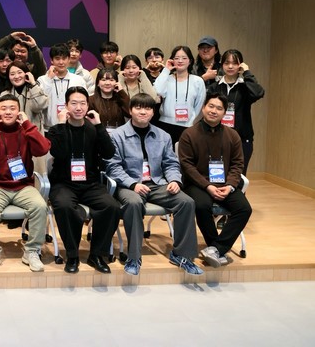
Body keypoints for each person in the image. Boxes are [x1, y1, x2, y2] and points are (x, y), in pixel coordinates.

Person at [105, 94, 203, 276]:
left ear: (153, 112)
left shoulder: (163, 136)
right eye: (138, 107)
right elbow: (113, 167)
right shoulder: (117, 135)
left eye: (148, 108)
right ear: (130, 110)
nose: (143, 112)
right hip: (129, 185)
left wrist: (174, 180)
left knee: (186, 202)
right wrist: (132, 184)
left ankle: (182, 255)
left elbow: (171, 163)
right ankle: (134, 257)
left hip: (157, 183)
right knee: (134, 203)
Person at [0, 94, 50, 273]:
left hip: (23, 185)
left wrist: (28, 125)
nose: (8, 112)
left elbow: (43, 149)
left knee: (40, 206)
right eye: (3, 108)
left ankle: (32, 251)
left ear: (19, 112)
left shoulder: (26, 131)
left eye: (12, 108)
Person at [47, 86, 120, 274]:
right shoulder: (56, 130)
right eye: (74, 103)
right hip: (63, 183)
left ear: (88, 105)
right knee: (64, 206)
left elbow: (109, 153)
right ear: (66, 105)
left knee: (111, 206)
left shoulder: (93, 128)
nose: (78, 108)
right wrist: (62, 125)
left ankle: (97, 254)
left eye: (82, 103)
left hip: (90, 183)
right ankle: (72, 255)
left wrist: (99, 126)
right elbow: (59, 153)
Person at [178, 92, 252, 268]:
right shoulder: (189, 134)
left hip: (225, 184)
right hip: (197, 184)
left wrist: (230, 185)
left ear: (224, 113)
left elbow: (237, 164)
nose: (214, 111)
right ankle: (215, 248)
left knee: (244, 209)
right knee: (202, 205)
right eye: (211, 106)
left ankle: (216, 249)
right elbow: (187, 166)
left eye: (219, 108)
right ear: (203, 108)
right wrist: (207, 186)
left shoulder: (232, 135)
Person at [208, 49, 265, 175]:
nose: (230, 66)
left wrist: (247, 73)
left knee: (239, 176)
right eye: (227, 63)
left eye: (234, 63)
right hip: (217, 138)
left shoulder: (246, 87)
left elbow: (258, 93)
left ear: (240, 65)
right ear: (222, 65)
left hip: (242, 139)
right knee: (217, 175)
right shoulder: (214, 87)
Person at [153, 45, 206, 144]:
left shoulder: (197, 81)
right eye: (176, 58)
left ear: (190, 61)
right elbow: (158, 91)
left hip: (188, 126)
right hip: (165, 124)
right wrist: (166, 69)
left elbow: (199, 106)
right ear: (172, 60)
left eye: (184, 58)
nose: (180, 61)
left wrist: (192, 122)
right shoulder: (167, 78)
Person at [38, 43, 87, 131]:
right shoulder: (42, 80)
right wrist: (48, 80)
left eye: (64, 58)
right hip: (48, 129)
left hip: (73, 127)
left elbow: (84, 104)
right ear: (51, 60)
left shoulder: (78, 80)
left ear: (69, 59)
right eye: (57, 59)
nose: (61, 62)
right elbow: (40, 104)